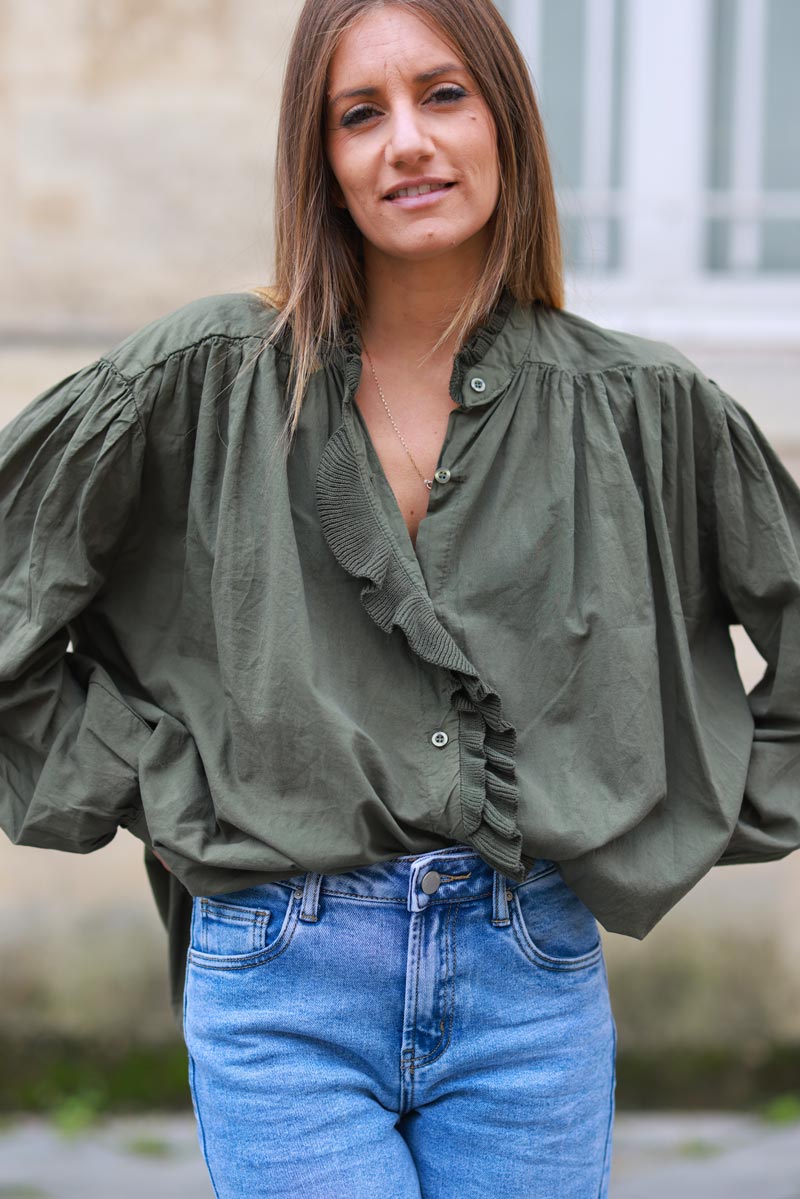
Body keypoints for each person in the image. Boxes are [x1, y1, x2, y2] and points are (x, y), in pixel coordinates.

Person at [1, 0, 799, 1195]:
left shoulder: (644, 407)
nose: (405, 143)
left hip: (528, 979)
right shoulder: (200, 380)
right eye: (357, 115)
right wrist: (159, 774)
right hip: (280, 978)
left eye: (441, 95)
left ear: (505, 121)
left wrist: (662, 800)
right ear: (318, 161)